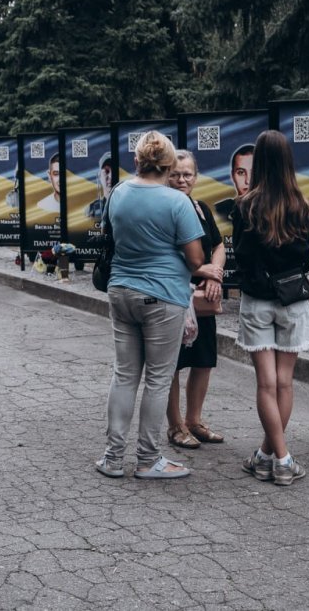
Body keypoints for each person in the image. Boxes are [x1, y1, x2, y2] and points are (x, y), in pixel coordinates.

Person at [94, 131, 205, 480]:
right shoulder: (177, 202)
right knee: (157, 379)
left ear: (137, 160)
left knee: (124, 375)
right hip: (163, 296)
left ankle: (113, 458)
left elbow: (113, 235)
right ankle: (147, 459)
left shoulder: (118, 192)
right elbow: (195, 259)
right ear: (169, 164)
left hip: (121, 290)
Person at [231, 131, 309, 486]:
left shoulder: (245, 206)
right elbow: (305, 257)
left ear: (260, 162)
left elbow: (242, 256)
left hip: (257, 302)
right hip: (292, 300)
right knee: (284, 384)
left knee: (266, 385)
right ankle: (272, 457)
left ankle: (277, 458)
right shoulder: (302, 205)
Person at [165, 150, 227, 449]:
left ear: (196, 177)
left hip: (202, 298)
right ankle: (175, 426)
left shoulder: (201, 208)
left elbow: (218, 245)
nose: (181, 180)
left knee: (203, 361)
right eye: (175, 174)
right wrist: (200, 270)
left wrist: (214, 275)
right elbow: (164, 254)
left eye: (187, 174)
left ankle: (194, 420)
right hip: (173, 295)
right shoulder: (163, 209)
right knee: (172, 364)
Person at [214, 143, 255, 222]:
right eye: (241, 172)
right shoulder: (219, 211)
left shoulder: (276, 210)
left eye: (254, 172)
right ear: (232, 176)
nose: (248, 181)